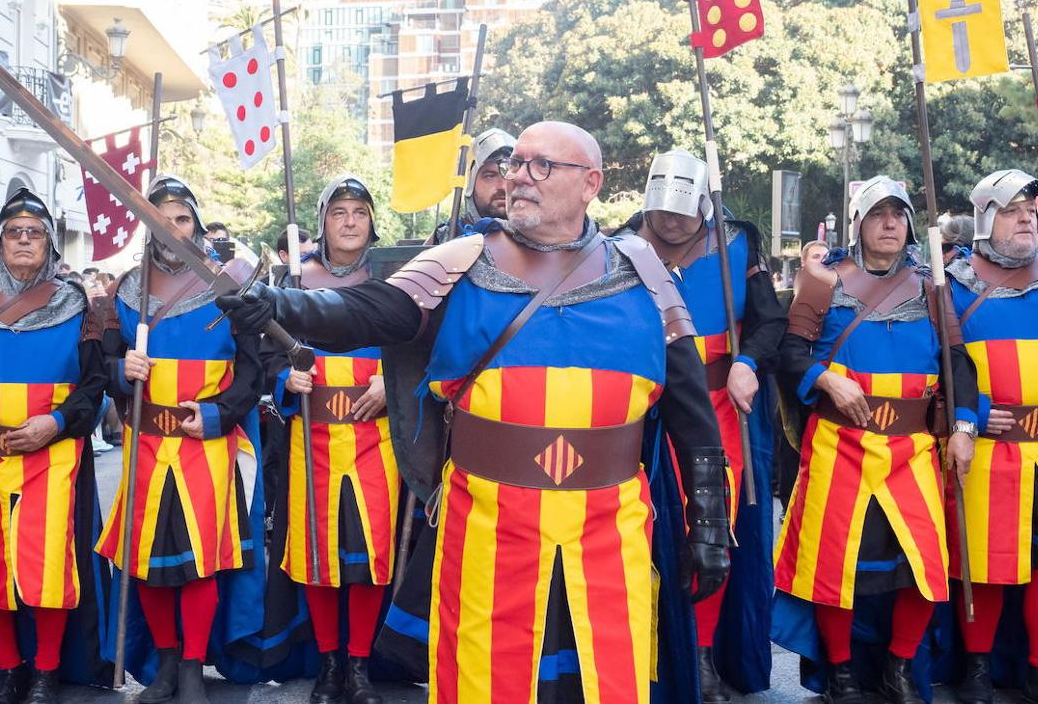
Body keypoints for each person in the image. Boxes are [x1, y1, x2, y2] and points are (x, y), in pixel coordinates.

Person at [220, 121, 731, 704]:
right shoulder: (463, 260)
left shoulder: (642, 269)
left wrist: (709, 526)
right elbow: (370, 310)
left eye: (541, 165)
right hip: (490, 527)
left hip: (610, 531)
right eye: (516, 163)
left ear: (590, 183)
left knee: (605, 678)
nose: (519, 177)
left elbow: (693, 414)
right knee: (485, 680)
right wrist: (282, 304)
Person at [774, 176, 979, 704]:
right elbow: (791, 353)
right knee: (832, 565)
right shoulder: (825, 283)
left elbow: (957, 363)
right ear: (860, 222)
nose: (891, 223)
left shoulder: (932, 288)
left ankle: (901, 666)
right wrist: (825, 378)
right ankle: (840, 673)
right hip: (839, 447)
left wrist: (963, 426)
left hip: (912, 451)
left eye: (899, 214)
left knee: (925, 568)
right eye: (879, 214)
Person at [620, 148, 785, 702]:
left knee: (713, 527)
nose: (669, 224)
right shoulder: (620, 247)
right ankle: (647, 654)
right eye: (661, 214)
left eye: (681, 216)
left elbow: (769, 323)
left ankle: (705, 654)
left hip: (719, 406)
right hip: (644, 409)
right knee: (642, 530)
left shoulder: (738, 243)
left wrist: (747, 361)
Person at [96, 176, 263, 704]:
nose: (172, 228)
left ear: (197, 224)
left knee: (200, 563)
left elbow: (253, 370)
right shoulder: (125, 290)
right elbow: (102, 364)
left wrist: (217, 414)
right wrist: (123, 370)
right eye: (160, 217)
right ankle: (165, 664)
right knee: (148, 562)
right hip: (146, 447)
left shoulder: (227, 286)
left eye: (182, 218)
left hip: (205, 448)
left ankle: (192, 666)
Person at [0, 188, 108, 704]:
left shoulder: (78, 302)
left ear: (51, 244)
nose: (24, 240)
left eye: (35, 233)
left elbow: (94, 384)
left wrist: (56, 422)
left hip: (51, 455)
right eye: (14, 232)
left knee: (47, 566)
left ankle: (46, 671)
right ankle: (9, 667)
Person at [264, 175, 396, 704]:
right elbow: (265, 353)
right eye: (339, 211)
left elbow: (420, 342)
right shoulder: (294, 280)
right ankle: (328, 663)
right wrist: (285, 379)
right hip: (309, 436)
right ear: (322, 221)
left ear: (371, 221)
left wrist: (395, 381)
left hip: (376, 437)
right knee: (318, 556)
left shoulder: (397, 279)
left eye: (358, 212)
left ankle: (360, 665)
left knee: (368, 556)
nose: (348, 221)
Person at [942, 170, 1038, 704]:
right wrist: (974, 411)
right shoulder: (951, 284)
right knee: (987, 559)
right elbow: (935, 366)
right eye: (1012, 209)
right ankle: (977, 667)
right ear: (984, 218)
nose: (1027, 217)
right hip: (986, 446)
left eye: (1032, 210)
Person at [430, 128, 515, 243]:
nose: (503, 186)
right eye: (490, 176)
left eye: (509, 175)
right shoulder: (446, 236)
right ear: (471, 182)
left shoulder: (537, 239)